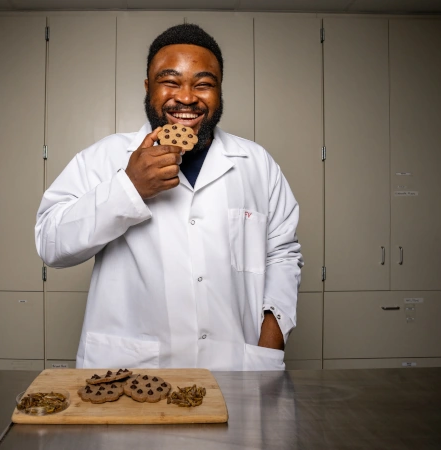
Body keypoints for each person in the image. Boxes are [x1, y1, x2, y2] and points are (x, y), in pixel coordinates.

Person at [35, 23, 303, 371]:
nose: (187, 97)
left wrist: (272, 336)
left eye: (203, 84)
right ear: (148, 88)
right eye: (170, 81)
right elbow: (51, 244)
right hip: (133, 371)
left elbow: (282, 253)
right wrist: (127, 187)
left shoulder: (257, 163)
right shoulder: (104, 158)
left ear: (220, 91)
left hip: (235, 366)